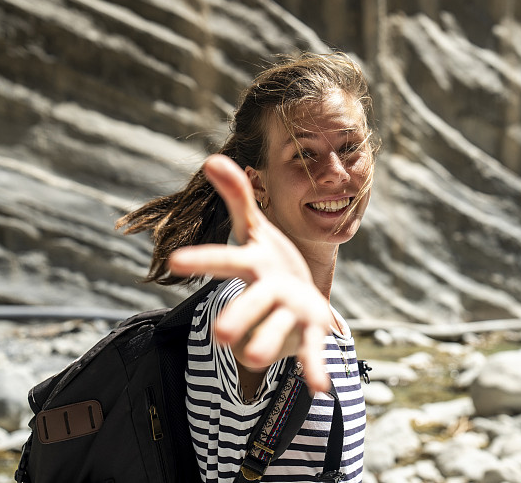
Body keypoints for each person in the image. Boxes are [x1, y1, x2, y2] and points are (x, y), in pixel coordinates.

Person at [116, 52, 379, 483]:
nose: (334, 173)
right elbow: (252, 338)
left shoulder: (332, 321)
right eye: (303, 155)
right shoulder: (237, 301)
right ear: (257, 184)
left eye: (350, 147)